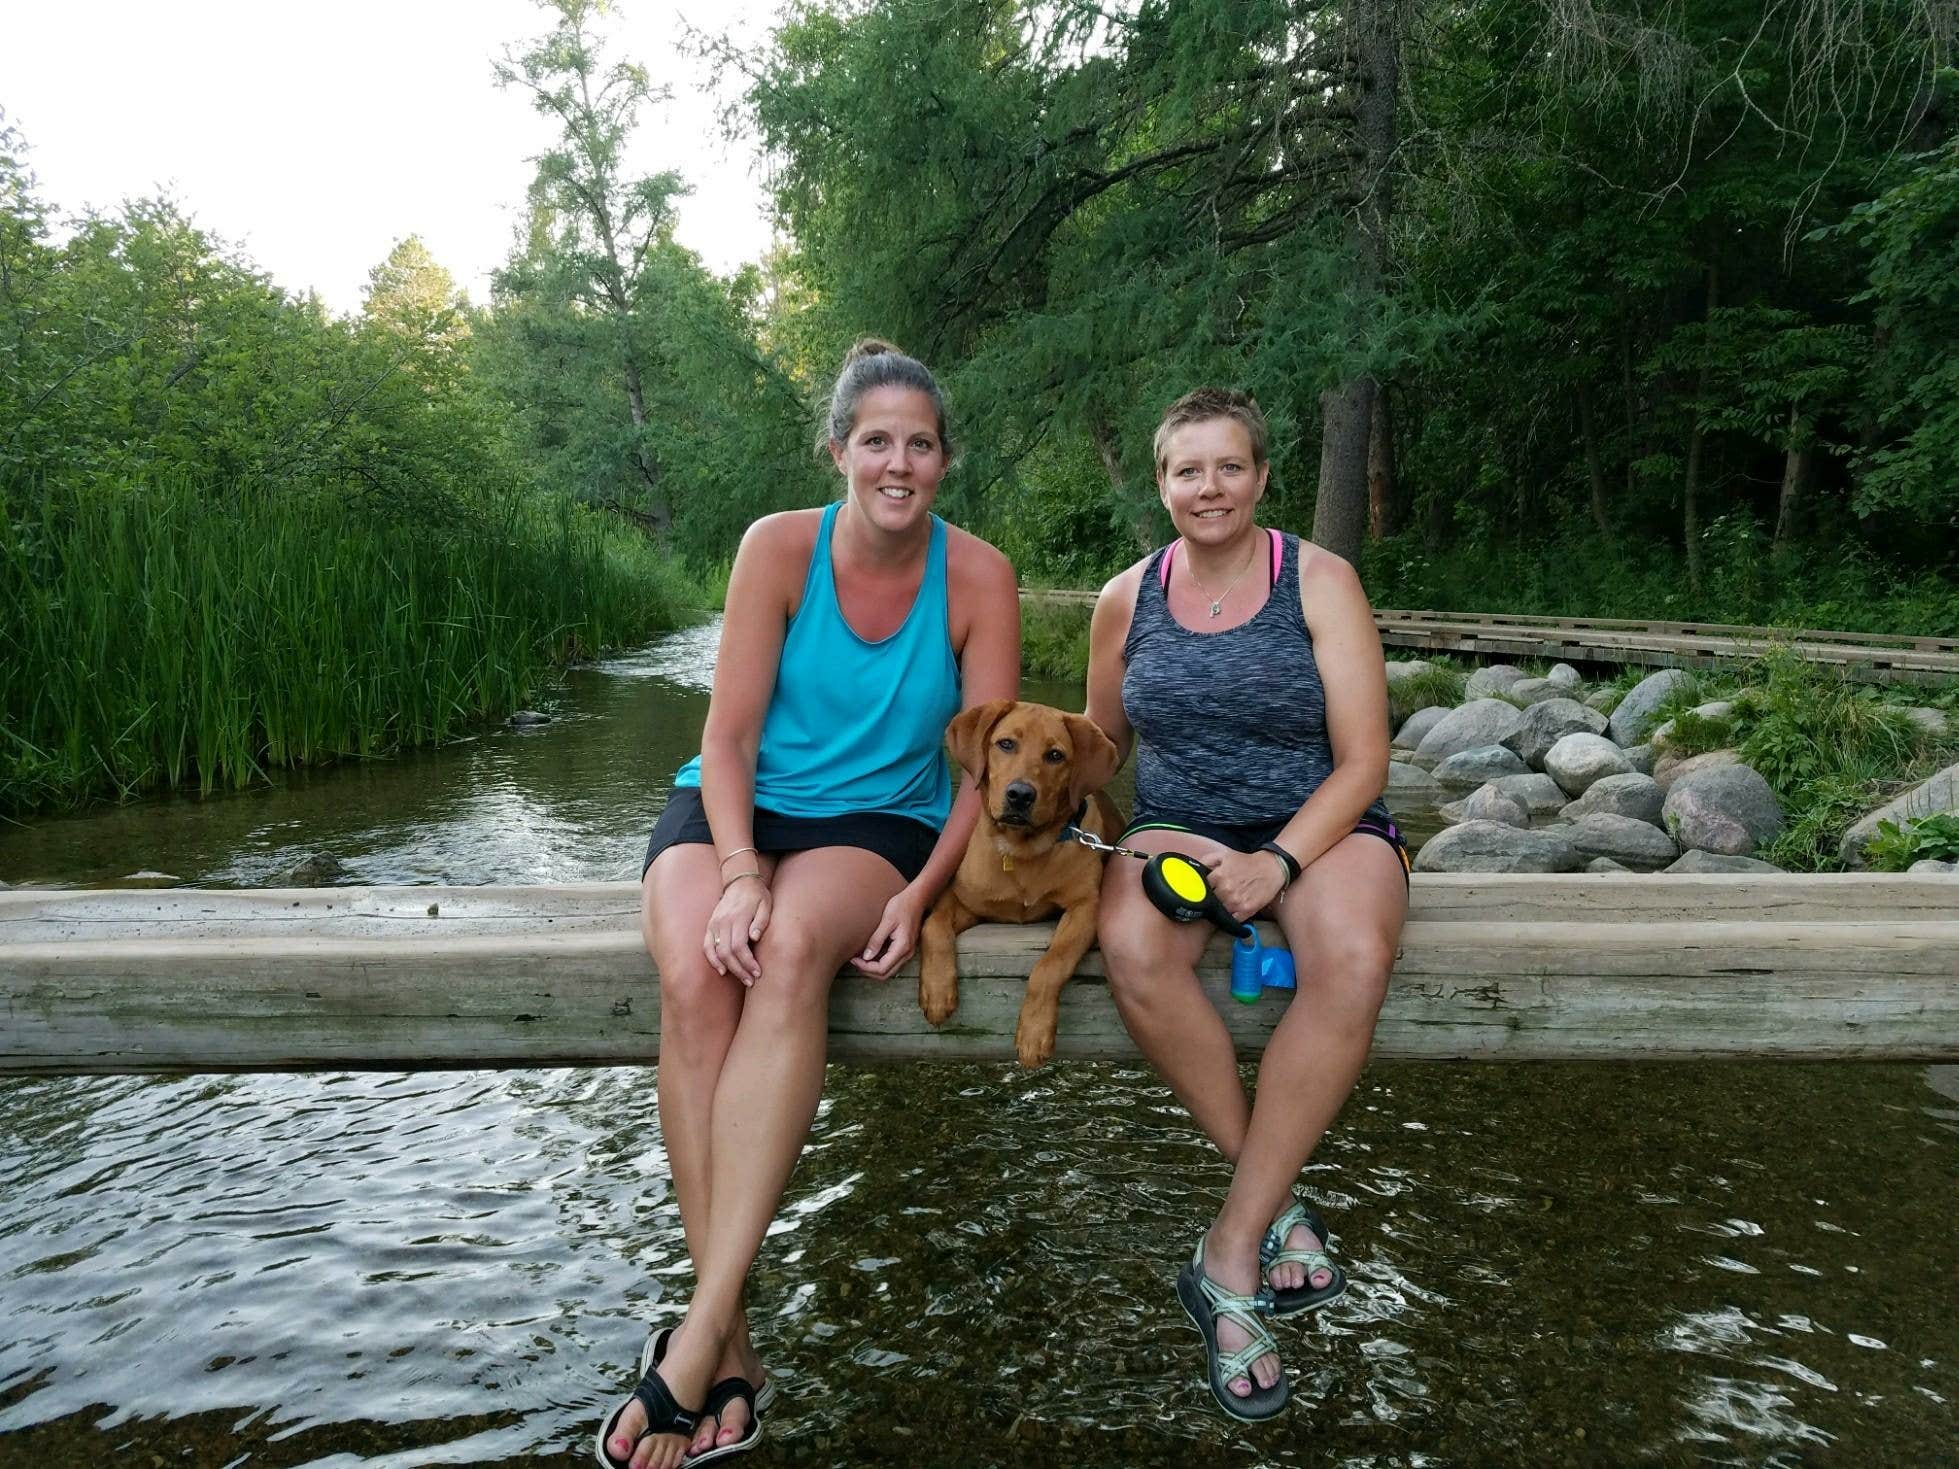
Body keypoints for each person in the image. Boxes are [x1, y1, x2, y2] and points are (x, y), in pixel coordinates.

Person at [600, 340, 1019, 1469]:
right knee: (697, 966)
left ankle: (692, 1346)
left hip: (876, 825)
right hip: (734, 806)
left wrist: (928, 893)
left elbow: (985, 770)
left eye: (920, 443)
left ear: (945, 460)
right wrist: (736, 865)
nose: (898, 462)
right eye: (875, 439)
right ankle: (724, 1338)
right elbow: (725, 739)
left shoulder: (979, 574)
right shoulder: (777, 548)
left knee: (787, 951)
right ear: (837, 449)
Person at [1084, 387, 1408, 1423]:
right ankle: (1279, 1208)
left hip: (1323, 822)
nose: (1209, 487)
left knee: (1351, 958)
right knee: (1132, 944)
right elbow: (1101, 749)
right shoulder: (1122, 597)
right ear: (1161, 483)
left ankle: (1230, 1244)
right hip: (1175, 819)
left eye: (1230, 466)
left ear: (1263, 476)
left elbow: (1365, 758)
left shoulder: (1317, 579)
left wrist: (1277, 859)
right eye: (1188, 469)